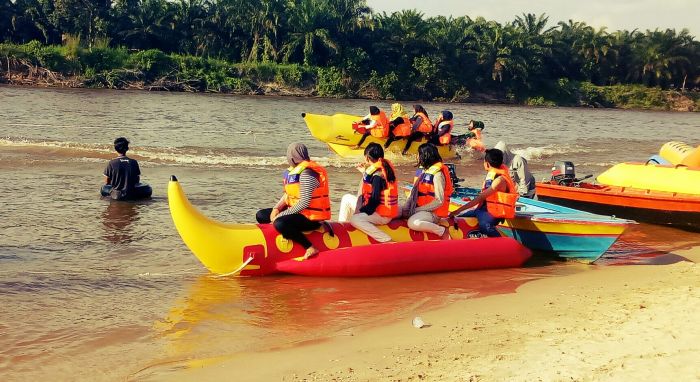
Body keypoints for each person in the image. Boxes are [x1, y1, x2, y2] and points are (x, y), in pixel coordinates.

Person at [256, 143, 331, 259]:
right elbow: (288, 195)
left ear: (291, 157)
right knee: (261, 215)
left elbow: (304, 202)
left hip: (311, 218)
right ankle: (277, 235)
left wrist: (281, 215)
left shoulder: (308, 174)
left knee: (280, 223)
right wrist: (276, 209)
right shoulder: (294, 172)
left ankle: (310, 247)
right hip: (298, 213)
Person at [448, 148, 519, 237]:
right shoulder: (491, 175)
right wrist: (458, 213)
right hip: (482, 210)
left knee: (485, 226)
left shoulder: (499, 180)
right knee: (459, 218)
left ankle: (502, 243)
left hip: (493, 213)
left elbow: (480, 198)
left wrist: (457, 210)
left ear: (487, 164)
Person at [337, 143, 398, 242]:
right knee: (346, 198)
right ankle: (342, 228)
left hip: (381, 215)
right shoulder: (384, 168)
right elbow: (372, 186)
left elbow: (374, 200)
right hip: (381, 210)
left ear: (367, 158)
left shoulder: (377, 175)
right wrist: (364, 173)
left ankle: (386, 239)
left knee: (355, 219)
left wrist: (362, 211)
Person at [402, 143, 454, 239]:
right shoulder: (422, 171)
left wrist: (416, 210)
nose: (417, 156)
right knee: (397, 211)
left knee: (413, 223)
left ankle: (442, 231)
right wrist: (405, 209)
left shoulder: (438, 175)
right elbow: (413, 192)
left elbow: (439, 201)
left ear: (425, 156)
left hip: (433, 213)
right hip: (420, 209)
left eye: (418, 154)